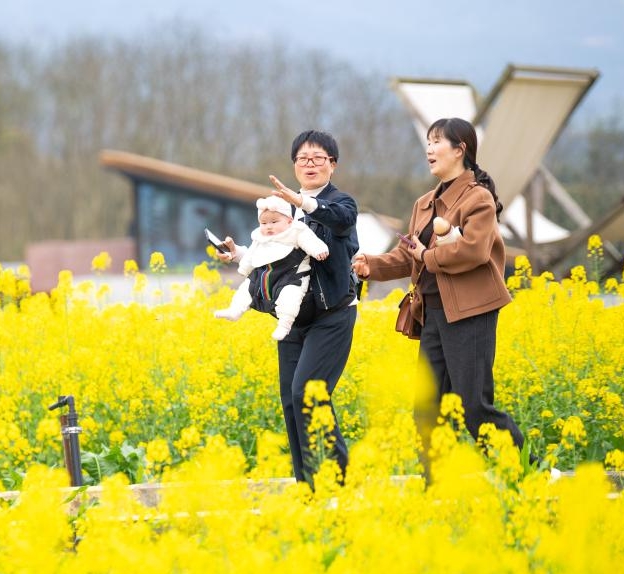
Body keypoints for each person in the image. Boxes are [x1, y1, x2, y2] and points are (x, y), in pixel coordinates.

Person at [351, 117, 529, 461]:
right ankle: (439, 484)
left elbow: (474, 251)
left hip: (470, 312)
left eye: (436, 142)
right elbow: (409, 254)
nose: (429, 149)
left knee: (473, 407)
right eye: (428, 142)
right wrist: (371, 265)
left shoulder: (478, 199)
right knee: (427, 410)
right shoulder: (424, 203)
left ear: (460, 150)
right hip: (433, 313)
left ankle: (530, 471)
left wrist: (426, 256)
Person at [215, 130, 359, 489]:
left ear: (332, 165)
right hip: (294, 318)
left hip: (331, 314)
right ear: (294, 165)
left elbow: (341, 223)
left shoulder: (339, 203)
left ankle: (336, 481)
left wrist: (304, 202)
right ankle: (307, 487)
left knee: (308, 393)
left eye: (318, 158)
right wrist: (238, 254)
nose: (310, 164)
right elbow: (276, 256)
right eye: (302, 159)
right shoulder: (281, 210)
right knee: (291, 401)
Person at [214, 195, 330, 341]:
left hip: (291, 276)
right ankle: (235, 310)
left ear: (289, 220)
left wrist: (319, 250)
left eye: (274, 222)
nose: (268, 226)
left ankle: (284, 325)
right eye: (263, 223)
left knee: (290, 298)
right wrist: (244, 269)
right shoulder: (259, 237)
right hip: (264, 275)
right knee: (246, 289)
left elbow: (309, 241)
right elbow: (251, 255)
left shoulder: (296, 231)